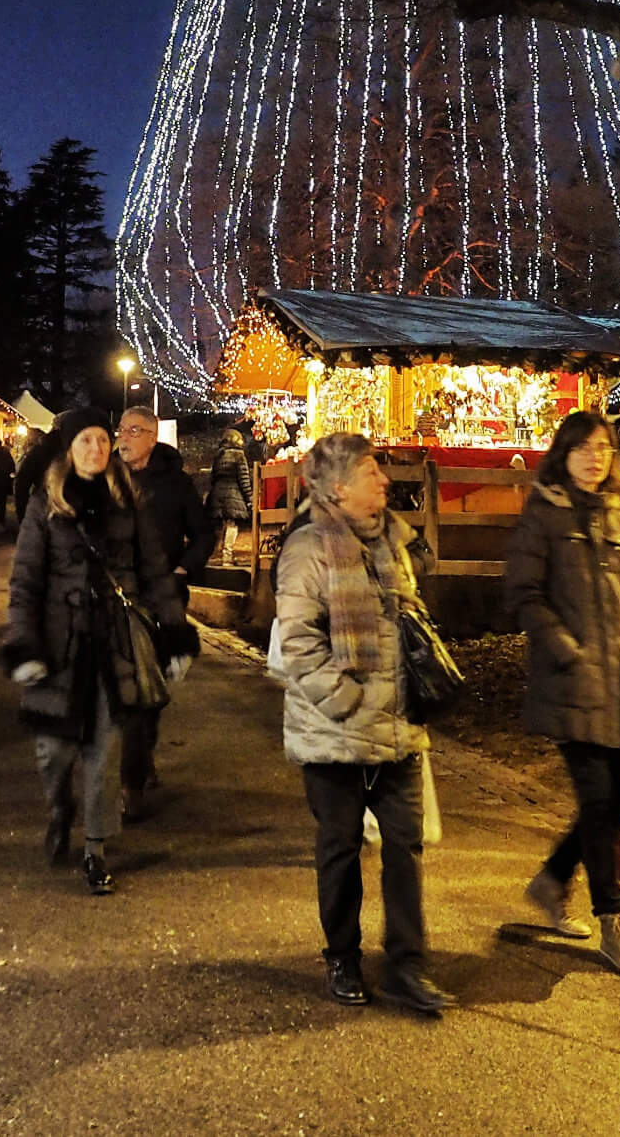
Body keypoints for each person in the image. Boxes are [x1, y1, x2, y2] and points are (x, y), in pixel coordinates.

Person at [275, 432, 450, 1016]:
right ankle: (342, 957)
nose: (383, 480)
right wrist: (344, 698)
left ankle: (406, 964)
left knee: (405, 848)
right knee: (340, 850)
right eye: (371, 471)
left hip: (397, 728)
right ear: (338, 486)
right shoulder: (308, 549)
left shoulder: (394, 542)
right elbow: (297, 643)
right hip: (336, 734)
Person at [3, 409, 197, 895]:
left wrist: (173, 634)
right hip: (58, 644)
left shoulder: (127, 502)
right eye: (85, 441)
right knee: (53, 753)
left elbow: (152, 572)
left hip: (112, 644)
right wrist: (23, 643)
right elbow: (25, 581)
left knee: (105, 750)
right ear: (69, 449)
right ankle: (58, 808)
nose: (97, 449)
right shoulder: (45, 505)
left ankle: (96, 847)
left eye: (102, 441)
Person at [502, 411, 620, 978]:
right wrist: (565, 647)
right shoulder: (544, 516)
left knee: (612, 804)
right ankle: (613, 923)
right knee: (599, 801)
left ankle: (550, 881)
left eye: (605, 447)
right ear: (563, 454)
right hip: (569, 685)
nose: (596, 457)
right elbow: (523, 592)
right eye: (584, 448)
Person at [114, 406, 216, 817]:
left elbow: (204, 533)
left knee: (147, 692)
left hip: (159, 598)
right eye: (121, 429)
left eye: (134, 430)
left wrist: (182, 568)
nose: (124, 437)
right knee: (123, 689)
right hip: (114, 595)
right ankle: (128, 776)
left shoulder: (176, 485)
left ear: (152, 438)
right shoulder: (106, 480)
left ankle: (134, 773)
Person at [205, 422, 254, 560]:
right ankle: (227, 554)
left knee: (220, 525)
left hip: (217, 494)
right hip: (234, 494)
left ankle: (215, 553)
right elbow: (243, 479)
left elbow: (212, 477)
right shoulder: (239, 456)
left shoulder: (219, 455)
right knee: (232, 524)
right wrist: (250, 499)